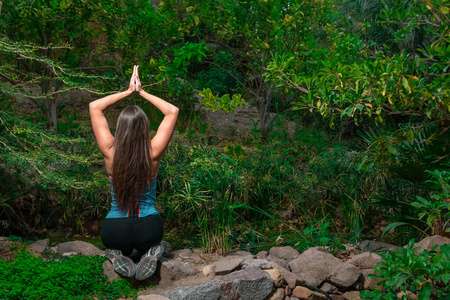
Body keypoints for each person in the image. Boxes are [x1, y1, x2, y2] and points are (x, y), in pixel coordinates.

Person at [89, 65, 179, 280]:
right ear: (145, 128)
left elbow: (94, 107)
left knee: (119, 244)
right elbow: (172, 111)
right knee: (157, 242)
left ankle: (118, 253)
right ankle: (149, 252)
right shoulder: (152, 152)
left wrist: (128, 92)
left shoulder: (110, 152)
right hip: (148, 228)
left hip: (114, 230)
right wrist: (142, 92)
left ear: (120, 128)